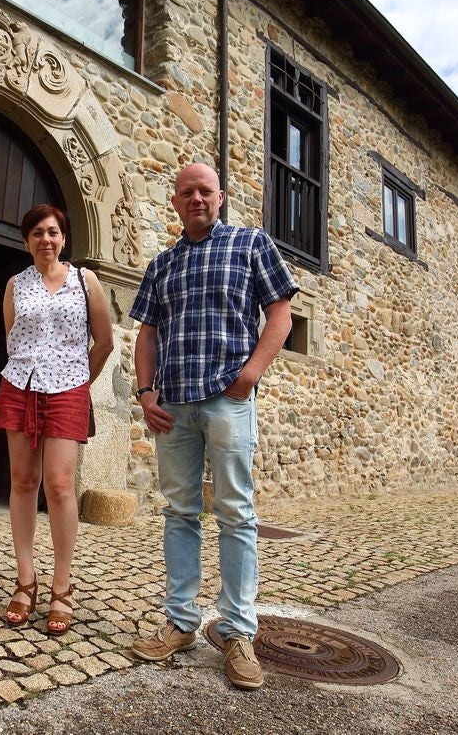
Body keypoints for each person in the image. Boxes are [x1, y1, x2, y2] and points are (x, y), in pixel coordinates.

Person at [128, 163, 298, 689]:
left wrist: (250, 375)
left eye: (205, 190)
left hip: (228, 399)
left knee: (236, 512)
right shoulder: (162, 264)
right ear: (175, 202)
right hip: (173, 406)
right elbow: (148, 334)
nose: (196, 198)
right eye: (187, 192)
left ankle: (238, 632)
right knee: (180, 511)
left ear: (220, 197)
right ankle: (180, 622)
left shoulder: (251, 245)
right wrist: (145, 392)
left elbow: (281, 316)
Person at [0, 203, 113, 634]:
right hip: (20, 385)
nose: (46, 239)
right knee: (22, 482)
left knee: (59, 485)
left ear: (64, 238)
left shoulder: (85, 280)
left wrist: (79, 381)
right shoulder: (15, 285)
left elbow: (104, 341)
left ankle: (62, 586)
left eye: (53, 232)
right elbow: (13, 338)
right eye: (38, 233)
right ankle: (26, 581)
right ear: (27, 241)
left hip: (67, 389)